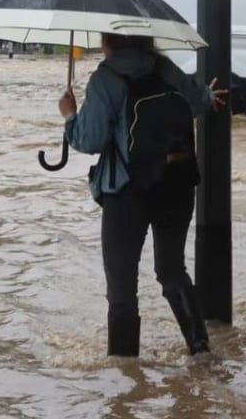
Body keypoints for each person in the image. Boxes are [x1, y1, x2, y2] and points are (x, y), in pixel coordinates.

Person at [59, 33, 227, 357]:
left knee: (122, 289)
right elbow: (196, 101)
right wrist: (209, 96)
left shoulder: (105, 79)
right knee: (172, 270)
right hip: (176, 186)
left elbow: (89, 139)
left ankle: (125, 374)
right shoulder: (166, 68)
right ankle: (200, 347)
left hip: (126, 194)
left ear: (109, 40)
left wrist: (69, 114)